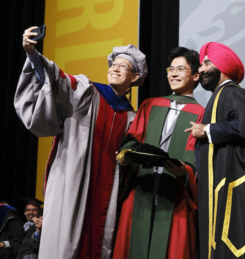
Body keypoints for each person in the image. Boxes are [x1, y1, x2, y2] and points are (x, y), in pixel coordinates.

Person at [15, 26, 148, 259]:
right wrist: (33, 55)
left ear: (135, 77)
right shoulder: (88, 92)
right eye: (113, 64)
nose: (115, 68)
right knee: (66, 239)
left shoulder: (132, 118)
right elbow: (59, 78)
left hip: (108, 190)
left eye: (123, 66)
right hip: (73, 179)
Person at [187, 42, 245, 259]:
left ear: (224, 66)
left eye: (207, 63)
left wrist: (207, 130)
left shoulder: (232, 92)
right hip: (220, 180)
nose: (200, 69)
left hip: (233, 183)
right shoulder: (220, 95)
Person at [112, 46, 204, 259]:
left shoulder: (202, 114)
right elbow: (133, 139)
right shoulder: (150, 104)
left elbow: (199, 160)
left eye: (180, 69)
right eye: (170, 69)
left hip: (176, 196)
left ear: (196, 75)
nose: (173, 73)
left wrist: (184, 172)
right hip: (141, 189)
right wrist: (125, 155)